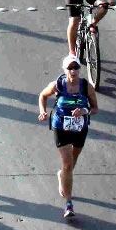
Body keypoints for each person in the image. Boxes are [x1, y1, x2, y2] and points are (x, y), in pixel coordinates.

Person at [38, 54, 99, 220]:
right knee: (67, 164)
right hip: (61, 127)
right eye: (70, 68)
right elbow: (43, 95)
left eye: (76, 68)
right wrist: (43, 111)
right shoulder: (57, 85)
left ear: (80, 69)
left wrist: (84, 111)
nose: (73, 71)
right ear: (65, 70)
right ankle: (69, 203)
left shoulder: (86, 87)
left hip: (80, 128)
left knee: (71, 165)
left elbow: (95, 108)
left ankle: (62, 176)